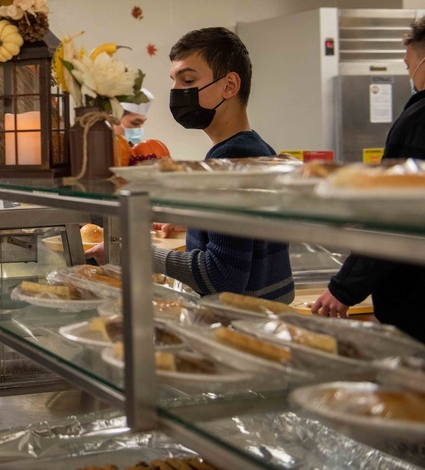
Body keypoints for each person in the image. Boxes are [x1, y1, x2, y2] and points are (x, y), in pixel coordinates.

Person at [88, 28, 294, 302]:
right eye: (174, 82)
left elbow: (222, 276)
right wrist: (192, 221)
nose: (176, 92)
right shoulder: (257, 149)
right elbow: (247, 238)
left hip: (237, 328)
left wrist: (133, 253)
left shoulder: (229, 160)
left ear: (230, 86)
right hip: (260, 320)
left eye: (187, 80)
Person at [311, 17, 425, 342]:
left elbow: (394, 215)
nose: (409, 74)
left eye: (409, 65)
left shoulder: (417, 120)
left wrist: (343, 289)